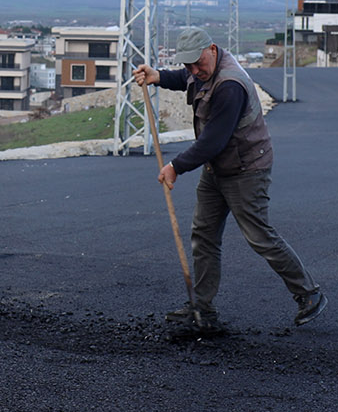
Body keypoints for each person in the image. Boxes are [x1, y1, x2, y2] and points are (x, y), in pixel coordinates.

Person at [132, 25, 325, 329]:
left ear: (212, 49)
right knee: (204, 234)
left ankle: (309, 294)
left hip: (247, 168)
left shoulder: (230, 85)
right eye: (188, 65)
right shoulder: (202, 68)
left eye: (198, 63)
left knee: (259, 236)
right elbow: (187, 78)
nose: (195, 70)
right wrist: (159, 76)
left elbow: (213, 140)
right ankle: (202, 308)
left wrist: (175, 166)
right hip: (218, 167)